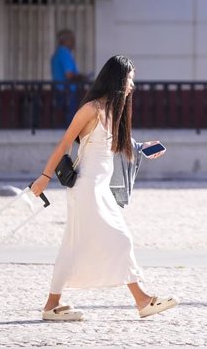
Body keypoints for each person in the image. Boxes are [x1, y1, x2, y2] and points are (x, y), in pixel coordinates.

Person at [31, 55, 177, 321]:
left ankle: (51, 305)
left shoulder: (113, 112)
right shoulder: (92, 109)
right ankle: (143, 300)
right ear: (119, 80)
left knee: (72, 246)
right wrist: (44, 176)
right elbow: (65, 143)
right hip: (87, 187)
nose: (133, 85)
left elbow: (115, 147)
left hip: (99, 189)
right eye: (130, 79)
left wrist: (142, 148)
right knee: (120, 238)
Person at [50, 29, 88, 125]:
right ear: (65, 41)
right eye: (72, 39)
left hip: (60, 90)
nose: (73, 42)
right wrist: (81, 77)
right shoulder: (64, 54)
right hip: (67, 92)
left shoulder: (57, 54)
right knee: (70, 122)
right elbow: (69, 75)